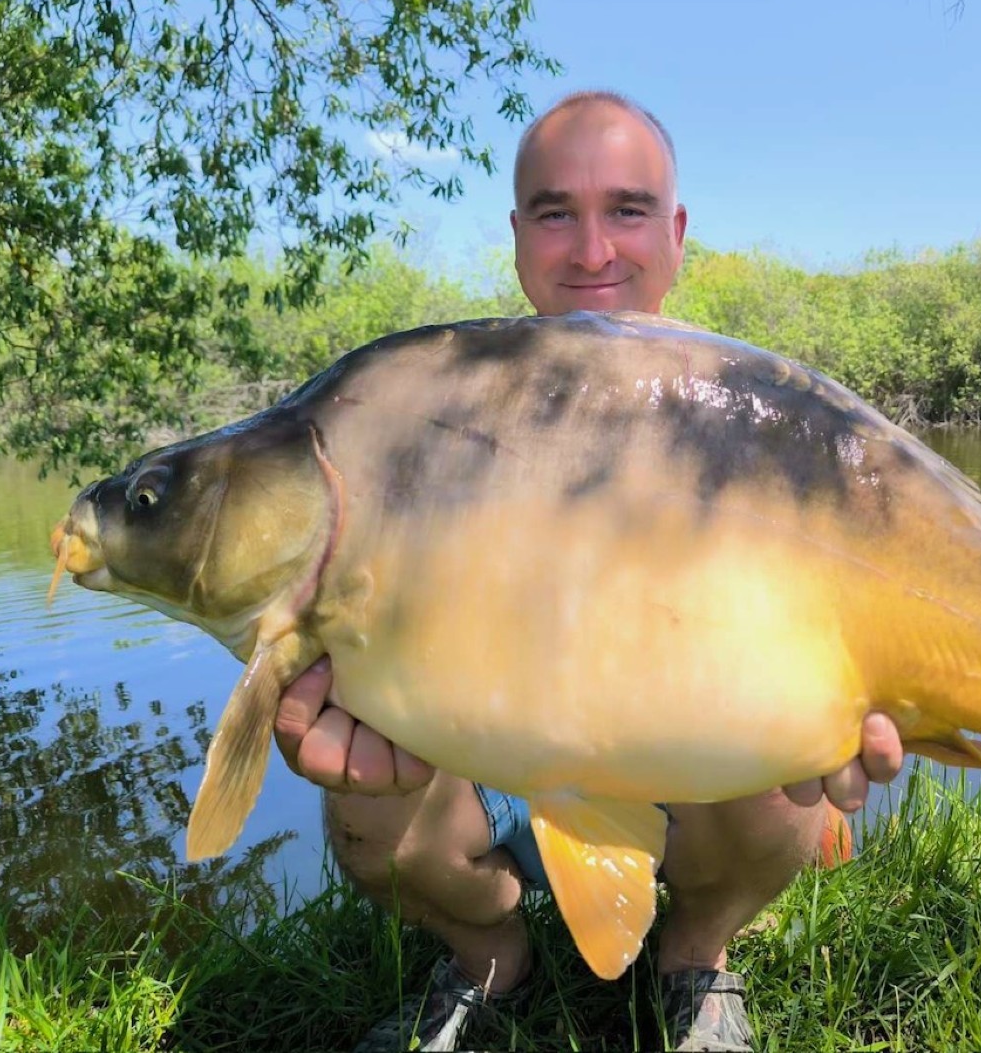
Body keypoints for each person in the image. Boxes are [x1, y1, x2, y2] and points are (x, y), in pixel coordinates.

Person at [273, 91, 905, 1052]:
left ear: (676, 234)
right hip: (495, 767)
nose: (594, 249)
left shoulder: (752, 421)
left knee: (790, 766)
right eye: (557, 212)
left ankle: (694, 956)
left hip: (689, 773)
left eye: (628, 209)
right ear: (518, 237)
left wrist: (860, 694)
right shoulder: (436, 407)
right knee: (358, 788)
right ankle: (490, 958)